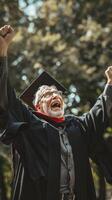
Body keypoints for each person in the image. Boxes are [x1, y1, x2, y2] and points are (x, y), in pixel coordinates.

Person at [0, 25, 112, 200]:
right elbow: (5, 95)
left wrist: (110, 85)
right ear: (37, 107)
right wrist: (2, 53)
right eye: (46, 94)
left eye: (57, 93)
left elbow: (101, 111)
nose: (54, 94)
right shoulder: (31, 125)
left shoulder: (77, 126)